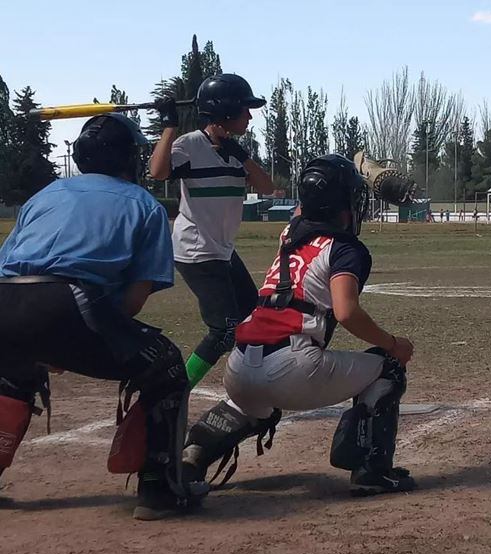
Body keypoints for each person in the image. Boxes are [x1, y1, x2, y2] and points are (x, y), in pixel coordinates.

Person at [0, 114, 205, 520]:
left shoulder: (44, 196)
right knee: (164, 365)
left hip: (5, 299)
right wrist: (72, 341)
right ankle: (159, 488)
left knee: (12, 373)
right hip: (68, 302)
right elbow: (132, 301)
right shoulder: (143, 205)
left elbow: (12, 270)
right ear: (129, 158)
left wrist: (54, 341)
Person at [182, 154, 417, 496]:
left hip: (240, 365)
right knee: (388, 367)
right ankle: (372, 469)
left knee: (255, 406)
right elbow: (347, 311)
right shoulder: (347, 249)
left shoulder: (290, 232)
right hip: (292, 366)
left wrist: (350, 171)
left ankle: (195, 452)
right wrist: (393, 344)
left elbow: (310, 204)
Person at [149, 73, 274, 389]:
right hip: (197, 251)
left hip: (222, 251)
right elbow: (157, 171)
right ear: (225, 112)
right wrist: (169, 126)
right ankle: (175, 391)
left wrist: (241, 154)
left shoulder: (235, 153)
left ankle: (255, 381)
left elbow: (268, 187)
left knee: (252, 318)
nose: (249, 116)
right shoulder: (190, 145)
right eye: (244, 109)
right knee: (224, 331)